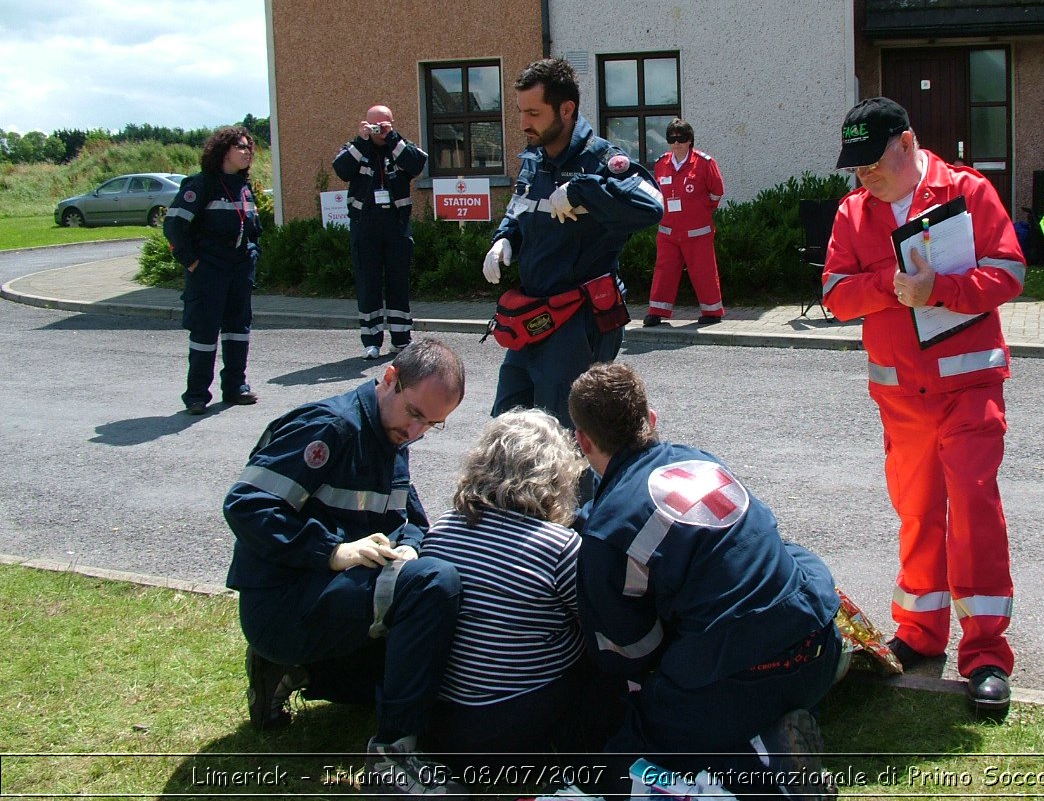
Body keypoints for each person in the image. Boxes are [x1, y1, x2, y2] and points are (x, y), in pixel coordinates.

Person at [821, 96, 1025, 719]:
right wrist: (890, 285)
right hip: (902, 399)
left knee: (973, 511)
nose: (865, 178)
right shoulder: (854, 212)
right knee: (916, 514)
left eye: (872, 163)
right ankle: (919, 632)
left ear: (907, 144)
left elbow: (1010, 272)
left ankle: (986, 653)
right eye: (855, 169)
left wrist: (941, 289)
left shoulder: (967, 192)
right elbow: (834, 295)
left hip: (968, 389)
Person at [568, 362, 841, 800]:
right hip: (818, 648)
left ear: (582, 440)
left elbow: (628, 653)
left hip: (740, 679)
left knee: (622, 759)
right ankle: (770, 731)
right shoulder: (699, 459)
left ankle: (761, 767)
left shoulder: (606, 533)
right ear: (650, 419)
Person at [223, 338, 466, 795]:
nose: (417, 432)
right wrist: (332, 551)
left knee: (422, 603)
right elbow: (246, 505)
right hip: (282, 604)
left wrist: (411, 547)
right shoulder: (329, 426)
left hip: (327, 599)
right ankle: (393, 758)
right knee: (435, 586)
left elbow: (410, 519)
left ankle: (294, 670)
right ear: (389, 379)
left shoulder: (391, 436)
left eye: (432, 424)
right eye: (415, 414)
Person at [418, 409, 623, 766]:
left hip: (444, 721)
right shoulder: (557, 546)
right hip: (511, 724)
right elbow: (598, 628)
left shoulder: (442, 529)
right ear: (554, 474)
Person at [482, 58, 664, 428]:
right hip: (531, 315)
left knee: (568, 436)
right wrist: (505, 239)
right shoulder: (534, 158)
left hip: (579, 322)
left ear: (567, 109)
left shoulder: (602, 160)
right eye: (520, 111)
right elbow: (519, 209)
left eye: (533, 112)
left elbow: (652, 206)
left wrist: (584, 190)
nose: (522, 123)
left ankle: (581, 490)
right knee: (508, 427)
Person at [164, 125, 263, 415]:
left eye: (249, 148)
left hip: (240, 269)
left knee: (238, 330)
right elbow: (174, 226)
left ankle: (235, 387)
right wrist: (192, 262)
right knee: (205, 333)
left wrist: (253, 253)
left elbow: (253, 229)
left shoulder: (244, 187)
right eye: (241, 147)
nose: (247, 153)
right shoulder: (201, 185)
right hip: (209, 271)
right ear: (224, 151)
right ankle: (196, 395)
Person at [332, 105, 429, 360]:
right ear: (365, 124)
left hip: (396, 227)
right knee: (368, 284)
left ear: (391, 123)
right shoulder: (356, 147)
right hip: (365, 228)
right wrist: (362, 142)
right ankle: (371, 341)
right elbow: (341, 170)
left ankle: (401, 339)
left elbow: (417, 164)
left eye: (383, 125)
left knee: (398, 283)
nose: (378, 130)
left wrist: (392, 138)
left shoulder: (400, 146)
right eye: (374, 125)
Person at [643, 118, 726, 327]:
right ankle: (657, 311)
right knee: (664, 270)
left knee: (703, 271)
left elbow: (717, 192)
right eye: (672, 138)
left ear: (690, 140)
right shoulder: (662, 163)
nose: (676, 142)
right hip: (668, 231)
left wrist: (701, 210)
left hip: (698, 231)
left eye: (681, 138)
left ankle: (712, 311)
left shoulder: (705, 163)